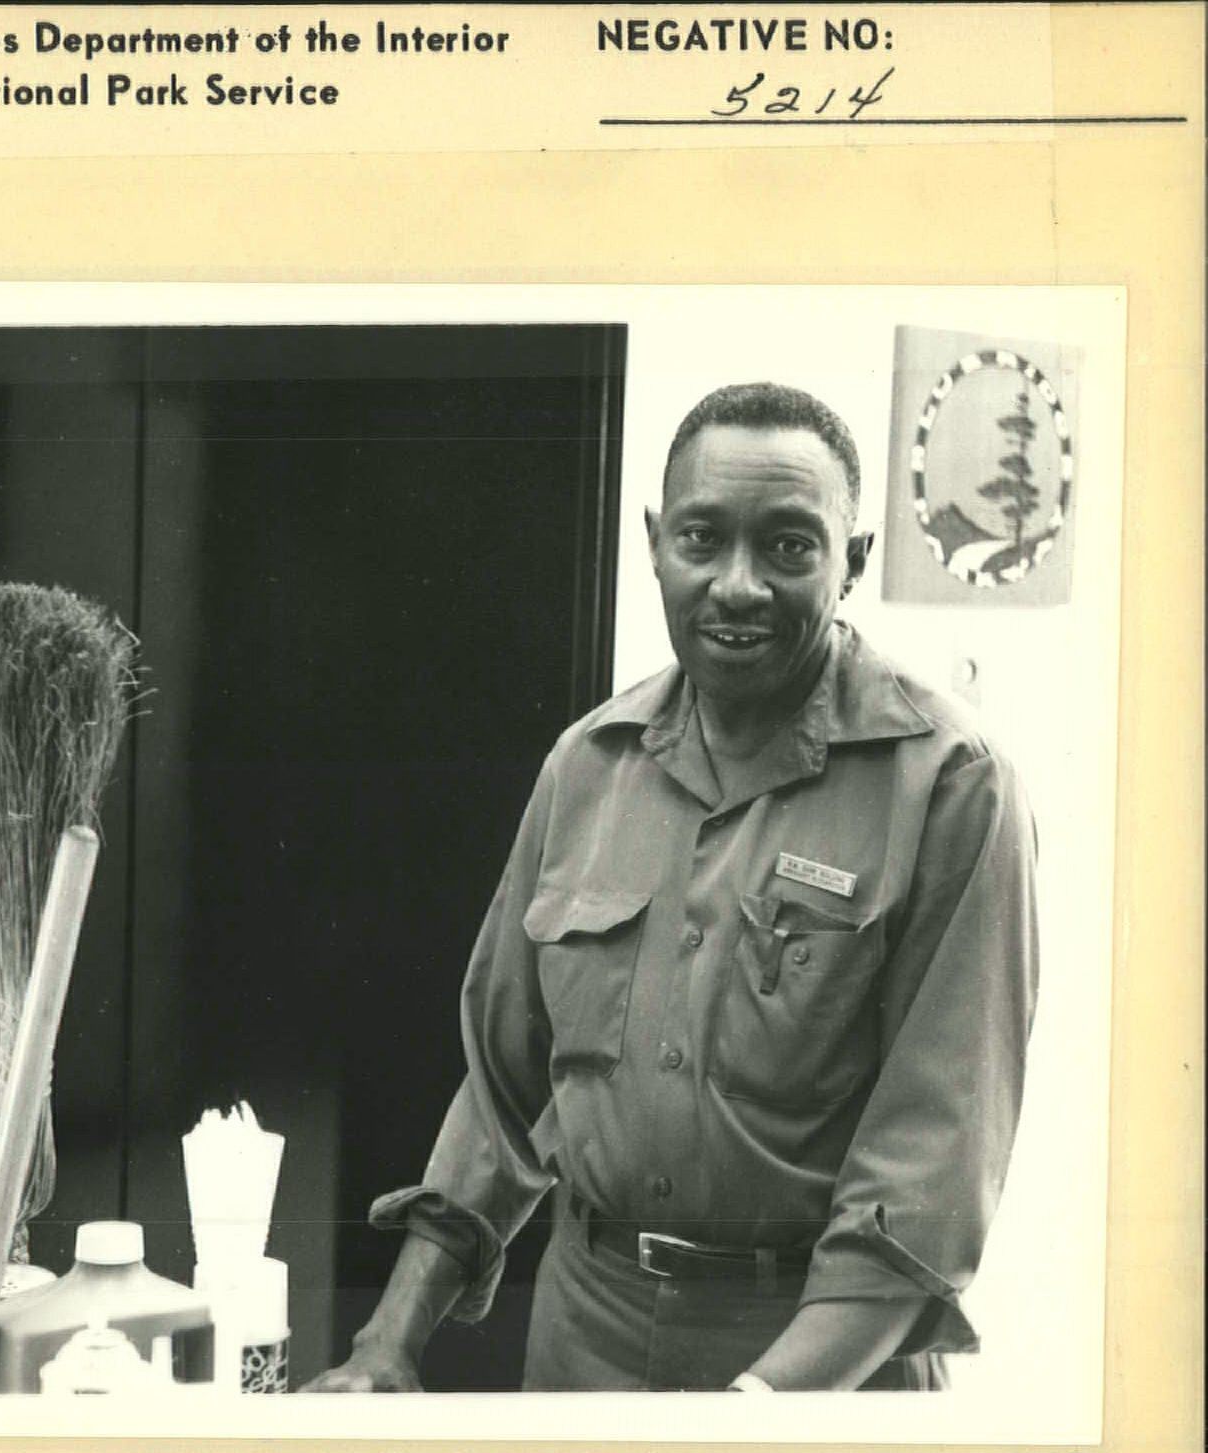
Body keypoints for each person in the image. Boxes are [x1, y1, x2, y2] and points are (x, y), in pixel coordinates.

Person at [305, 382, 1038, 1392]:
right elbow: (502, 1088)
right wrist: (388, 1339)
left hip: (816, 1376)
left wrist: (749, 1422)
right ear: (655, 543)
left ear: (852, 560)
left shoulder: (950, 787)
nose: (736, 585)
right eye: (701, 539)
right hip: (581, 1342)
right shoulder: (585, 766)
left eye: (787, 545)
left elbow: (924, 1178)